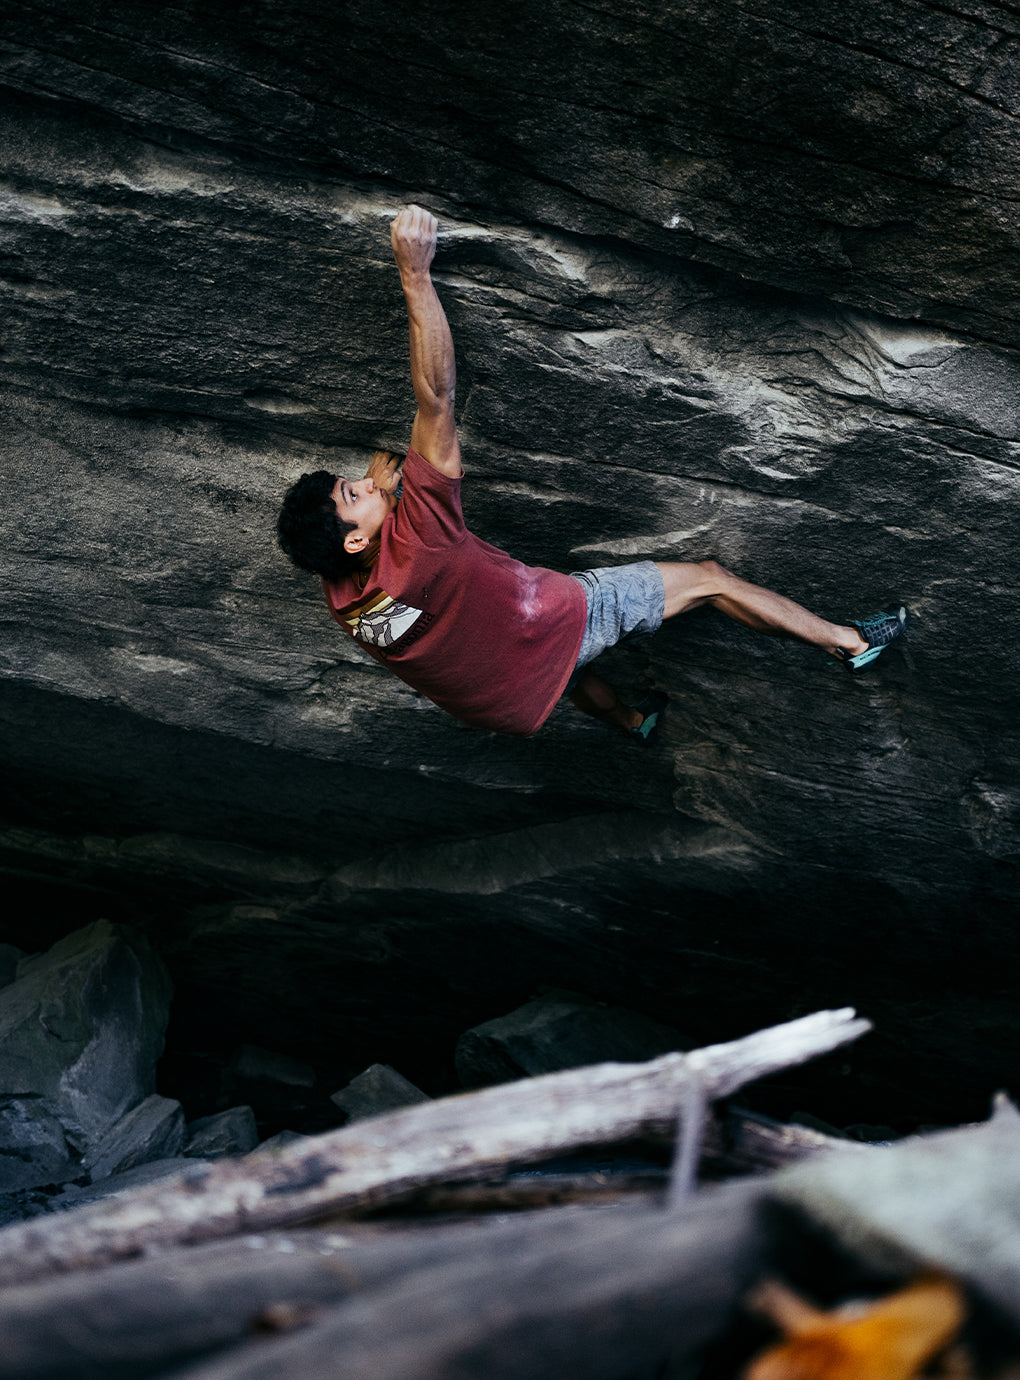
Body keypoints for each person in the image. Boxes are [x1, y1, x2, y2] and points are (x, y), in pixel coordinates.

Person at [276, 206, 908, 740]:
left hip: (503, 701)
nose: (366, 483)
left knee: (562, 672)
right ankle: (850, 642)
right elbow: (435, 397)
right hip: (550, 623)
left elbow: (383, 561)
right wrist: (414, 274)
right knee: (711, 580)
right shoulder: (423, 540)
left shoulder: (342, 594)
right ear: (357, 538)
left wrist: (378, 493)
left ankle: (635, 722)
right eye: (354, 495)